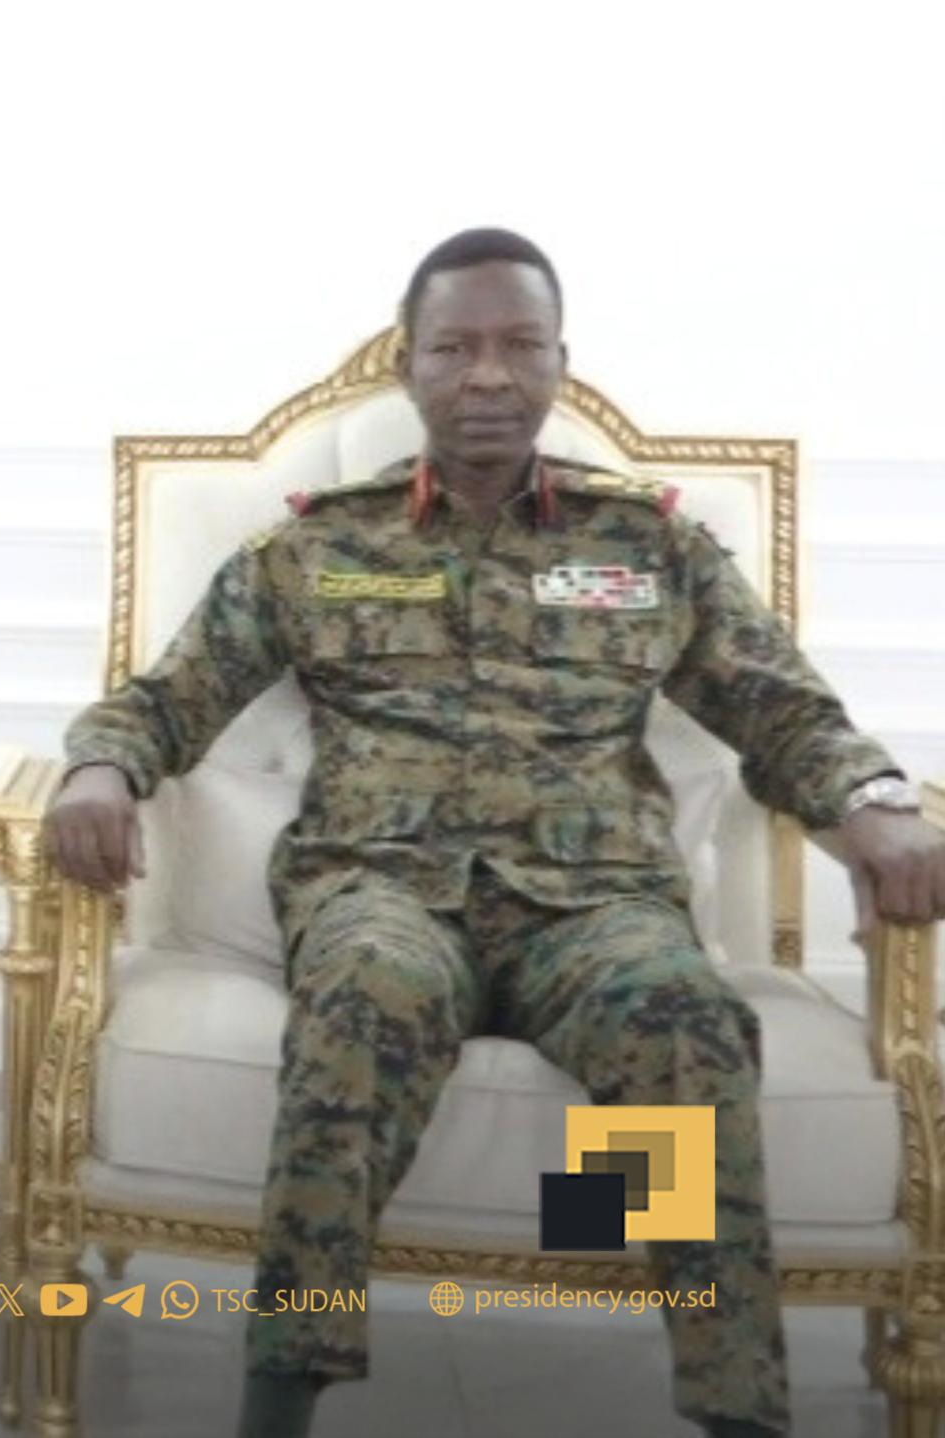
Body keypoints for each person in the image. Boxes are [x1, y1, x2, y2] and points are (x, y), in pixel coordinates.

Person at [47, 227, 945, 1438]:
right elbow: (166, 699)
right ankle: (282, 1395)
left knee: (680, 1025)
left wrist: (877, 803)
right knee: (363, 999)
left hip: (594, 909)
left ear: (560, 363)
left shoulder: (651, 545)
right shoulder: (317, 546)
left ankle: (715, 1392)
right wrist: (99, 768)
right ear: (407, 366)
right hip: (382, 893)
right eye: (454, 348)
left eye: (520, 345)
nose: (487, 375)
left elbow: (784, 714)